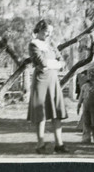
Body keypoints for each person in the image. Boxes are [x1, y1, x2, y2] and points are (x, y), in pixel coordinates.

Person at [27, 19, 69, 154]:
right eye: (46, 31)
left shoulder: (51, 44)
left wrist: (56, 64)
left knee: (56, 113)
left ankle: (59, 144)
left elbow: (62, 61)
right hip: (41, 81)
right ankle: (40, 145)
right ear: (39, 30)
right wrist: (55, 64)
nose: (48, 34)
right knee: (41, 114)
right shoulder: (33, 45)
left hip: (53, 80)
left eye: (50, 32)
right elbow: (42, 62)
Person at [77, 69, 94, 144]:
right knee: (86, 122)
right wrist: (78, 105)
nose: (91, 76)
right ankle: (86, 138)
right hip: (86, 106)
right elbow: (81, 96)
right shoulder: (84, 86)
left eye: (93, 75)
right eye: (90, 75)